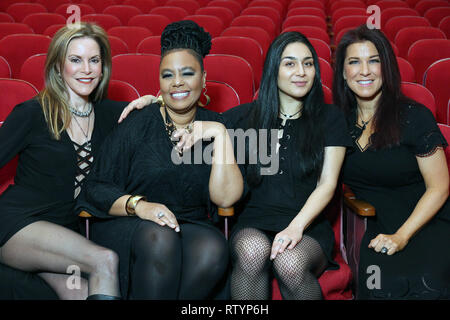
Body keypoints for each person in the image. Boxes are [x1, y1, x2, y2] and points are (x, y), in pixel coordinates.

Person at [76, 20, 243, 300]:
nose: (177, 82)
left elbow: (226, 200)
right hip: (132, 225)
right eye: (167, 75)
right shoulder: (138, 122)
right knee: (160, 238)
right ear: (160, 83)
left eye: (187, 73)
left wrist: (220, 134)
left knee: (213, 249)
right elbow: (95, 188)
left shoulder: (217, 124)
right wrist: (140, 206)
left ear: (203, 79)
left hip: (186, 224)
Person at [0, 22, 152, 300]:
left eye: (94, 60)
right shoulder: (32, 113)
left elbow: (166, 116)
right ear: (58, 66)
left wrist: (153, 102)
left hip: (65, 232)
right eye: (76, 60)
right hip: (19, 225)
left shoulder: (112, 115)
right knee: (104, 260)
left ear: (103, 66)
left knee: (80, 293)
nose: (86, 69)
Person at [222, 31, 352, 300]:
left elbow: (328, 184)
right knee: (251, 250)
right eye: (290, 63)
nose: (301, 72)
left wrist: (296, 227)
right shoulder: (246, 118)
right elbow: (195, 118)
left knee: (289, 261)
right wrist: (158, 102)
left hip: (307, 226)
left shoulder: (330, 118)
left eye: (308, 63)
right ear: (274, 70)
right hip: (254, 221)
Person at [334, 25, 450, 299]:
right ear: (343, 72)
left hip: (427, 222)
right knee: (380, 287)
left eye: (374, 61)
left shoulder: (414, 116)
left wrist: (402, 236)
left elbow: (439, 187)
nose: (365, 71)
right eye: (354, 62)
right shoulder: (336, 122)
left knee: (428, 285)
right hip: (375, 225)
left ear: (386, 68)